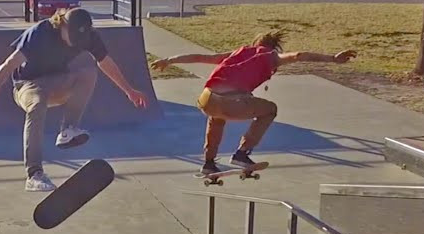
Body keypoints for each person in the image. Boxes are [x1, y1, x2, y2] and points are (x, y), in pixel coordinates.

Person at [0, 8, 149, 192]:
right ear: (62, 25)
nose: (75, 44)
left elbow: (105, 62)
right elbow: (9, 64)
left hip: (57, 83)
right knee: (37, 104)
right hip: (26, 85)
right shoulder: (40, 33)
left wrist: (129, 90)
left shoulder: (89, 36)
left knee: (88, 73)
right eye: (72, 38)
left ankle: (68, 129)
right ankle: (34, 174)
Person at [152, 31, 356, 176]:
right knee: (270, 110)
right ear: (273, 47)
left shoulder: (237, 52)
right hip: (233, 101)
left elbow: (200, 57)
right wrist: (333, 59)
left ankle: (208, 162)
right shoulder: (271, 56)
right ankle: (242, 153)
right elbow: (298, 56)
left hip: (206, 98)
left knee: (217, 118)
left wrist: (168, 60)